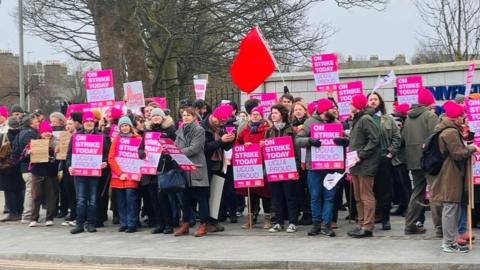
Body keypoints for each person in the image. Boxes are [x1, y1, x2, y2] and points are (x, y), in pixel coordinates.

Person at [430, 101, 480, 253]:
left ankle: (450, 241)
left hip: (450, 172)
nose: (464, 117)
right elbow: (458, 153)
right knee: (450, 208)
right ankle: (449, 243)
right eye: (462, 115)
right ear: (455, 118)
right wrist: (472, 148)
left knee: (451, 207)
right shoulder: (450, 132)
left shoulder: (448, 129)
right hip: (450, 174)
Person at [296, 99, 345, 237]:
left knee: (329, 197)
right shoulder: (310, 122)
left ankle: (327, 224)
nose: (334, 110)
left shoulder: (336, 123)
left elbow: (346, 140)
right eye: (331, 108)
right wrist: (309, 141)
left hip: (331, 166)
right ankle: (316, 224)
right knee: (315, 196)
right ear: (325, 110)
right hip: (315, 166)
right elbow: (298, 140)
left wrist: (344, 141)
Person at [402, 88, 440, 235]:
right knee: (435, 193)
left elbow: (403, 139)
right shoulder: (430, 116)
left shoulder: (408, 118)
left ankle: (410, 225)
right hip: (429, 161)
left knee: (417, 192)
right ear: (429, 103)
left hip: (413, 161)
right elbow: (436, 137)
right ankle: (440, 228)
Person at [67, 111, 109, 234]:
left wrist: (104, 163)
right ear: (83, 122)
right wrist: (69, 166)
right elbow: (69, 155)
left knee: (93, 199)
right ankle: (79, 224)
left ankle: (91, 223)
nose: (89, 123)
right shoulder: (75, 137)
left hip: (94, 174)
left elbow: (106, 155)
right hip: (79, 174)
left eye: (91, 121)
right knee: (80, 199)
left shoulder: (101, 137)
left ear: (94, 122)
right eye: (86, 121)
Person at [346, 94, 381, 238]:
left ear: (357, 105)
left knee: (366, 196)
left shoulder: (365, 119)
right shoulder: (357, 119)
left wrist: (361, 154)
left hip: (364, 163)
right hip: (356, 163)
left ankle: (367, 226)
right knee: (358, 196)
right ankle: (361, 223)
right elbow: (359, 139)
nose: (349, 105)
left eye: (352, 103)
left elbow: (374, 139)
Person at [138, 108, 176, 234]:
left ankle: (169, 224)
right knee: (154, 199)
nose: (155, 118)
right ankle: (159, 223)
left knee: (165, 199)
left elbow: (175, 146)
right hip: (151, 171)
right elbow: (141, 148)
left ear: (163, 118)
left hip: (165, 168)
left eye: (158, 116)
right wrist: (142, 153)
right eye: (153, 116)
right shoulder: (147, 132)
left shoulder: (170, 129)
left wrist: (168, 151)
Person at [366, 92, 401, 230]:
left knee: (384, 191)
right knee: (369, 191)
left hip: (384, 160)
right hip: (368, 160)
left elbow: (397, 138)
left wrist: (390, 153)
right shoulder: (364, 119)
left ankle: (385, 219)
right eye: (370, 99)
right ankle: (373, 217)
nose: (373, 101)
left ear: (380, 102)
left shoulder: (388, 119)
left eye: (375, 99)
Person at [174, 107, 209, 237]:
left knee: (201, 198)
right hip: (183, 168)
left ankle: (204, 225)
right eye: (184, 115)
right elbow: (175, 144)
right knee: (185, 199)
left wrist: (177, 152)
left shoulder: (199, 129)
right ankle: (185, 224)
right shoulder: (180, 130)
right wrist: (169, 149)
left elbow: (195, 148)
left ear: (194, 117)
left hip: (196, 167)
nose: (186, 117)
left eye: (189, 115)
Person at [201, 104, 235, 232]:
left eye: (223, 122)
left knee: (216, 194)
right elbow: (205, 148)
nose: (220, 123)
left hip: (218, 165)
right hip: (206, 165)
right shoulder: (203, 128)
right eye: (219, 120)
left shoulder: (220, 128)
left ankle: (213, 221)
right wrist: (221, 141)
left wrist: (230, 140)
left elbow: (226, 148)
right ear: (213, 115)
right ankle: (207, 222)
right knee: (206, 194)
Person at [236, 106, 271, 229]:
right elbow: (237, 142)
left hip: (263, 165)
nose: (255, 116)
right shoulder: (245, 130)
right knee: (251, 194)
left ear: (262, 116)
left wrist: (263, 144)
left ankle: (268, 219)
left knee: (266, 194)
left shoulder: (267, 129)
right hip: (250, 166)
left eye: (257, 114)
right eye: (253, 114)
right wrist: (244, 146)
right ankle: (250, 219)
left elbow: (273, 143)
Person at [266, 104, 299, 233]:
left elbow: (296, 151)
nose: (273, 115)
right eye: (272, 113)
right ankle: (279, 222)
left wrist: (296, 168)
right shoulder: (269, 131)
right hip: (274, 168)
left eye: (276, 113)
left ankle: (292, 222)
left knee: (290, 196)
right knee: (276, 196)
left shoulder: (291, 130)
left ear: (282, 114)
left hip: (288, 168)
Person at [108, 116, 142, 233]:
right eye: (122, 126)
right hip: (119, 176)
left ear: (130, 126)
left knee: (131, 199)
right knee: (121, 201)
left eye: (126, 125)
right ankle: (124, 223)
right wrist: (120, 172)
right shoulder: (116, 140)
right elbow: (111, 158)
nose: (125, 128)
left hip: (132, 176)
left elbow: (142, 156)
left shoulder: (138, 138)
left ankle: (132, 223)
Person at [28, 120, 59, 227]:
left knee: (51, 196)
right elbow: (22, 158)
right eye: (44, 131)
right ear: (40, 133)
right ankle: (34, 218)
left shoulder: (56, 143)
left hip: (51, 173)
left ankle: (49, 218)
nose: (47, 133)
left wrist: (57, 153)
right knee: (36, 196)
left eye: (49, 131)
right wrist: (29, 153)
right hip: (37, 172)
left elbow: (61, 159)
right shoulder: (34, 143)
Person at [11, 114, 39, 224]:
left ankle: (27, 214)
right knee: (30, 192)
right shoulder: (30, 134)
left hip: (24, 168)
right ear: (31, 123)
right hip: (29, 167)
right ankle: (27, 215)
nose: (38, 123)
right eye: (36, 121)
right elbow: (30, 151)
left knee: (29, 190)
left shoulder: (20, 133)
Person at [290, 101, 312, 226]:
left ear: (305, 110)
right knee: (299, 187)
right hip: (297, 159)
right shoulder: (291, 125)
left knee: (308, 188)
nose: (297, 111)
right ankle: (302, 211)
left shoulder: (309, 124)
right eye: (295, 110)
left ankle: (309, 213)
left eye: (300, 109)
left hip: (308, 159)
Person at [0, 116, 25, 222]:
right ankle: (20, 210)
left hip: (6, 167)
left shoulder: (3, 136)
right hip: (20, 165)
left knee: (9, 189)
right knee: (20, 188)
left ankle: (12, 212)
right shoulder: (23, 134)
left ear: (8, 125)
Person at [390, 103, 412, 217]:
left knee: (404, 184)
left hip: (402, 158)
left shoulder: (407, 124)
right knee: (399, 184)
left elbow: (402, 140)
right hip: (397, 158)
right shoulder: (402, 122)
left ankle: (408, 207)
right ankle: (403, 205)